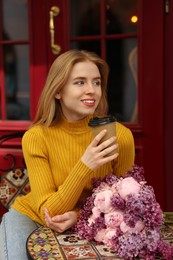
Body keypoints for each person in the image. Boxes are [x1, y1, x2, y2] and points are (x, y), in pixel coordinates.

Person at [0, 49, 135, 259]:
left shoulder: (120, 136)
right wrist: (85, 165)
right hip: (31, 216)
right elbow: (49, 212)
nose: (92, 90)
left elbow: (124, 202)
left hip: (87, 220)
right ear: (57, 91)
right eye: (80, 82)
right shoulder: (36, 137)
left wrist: (79, 215)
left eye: (97, 82)